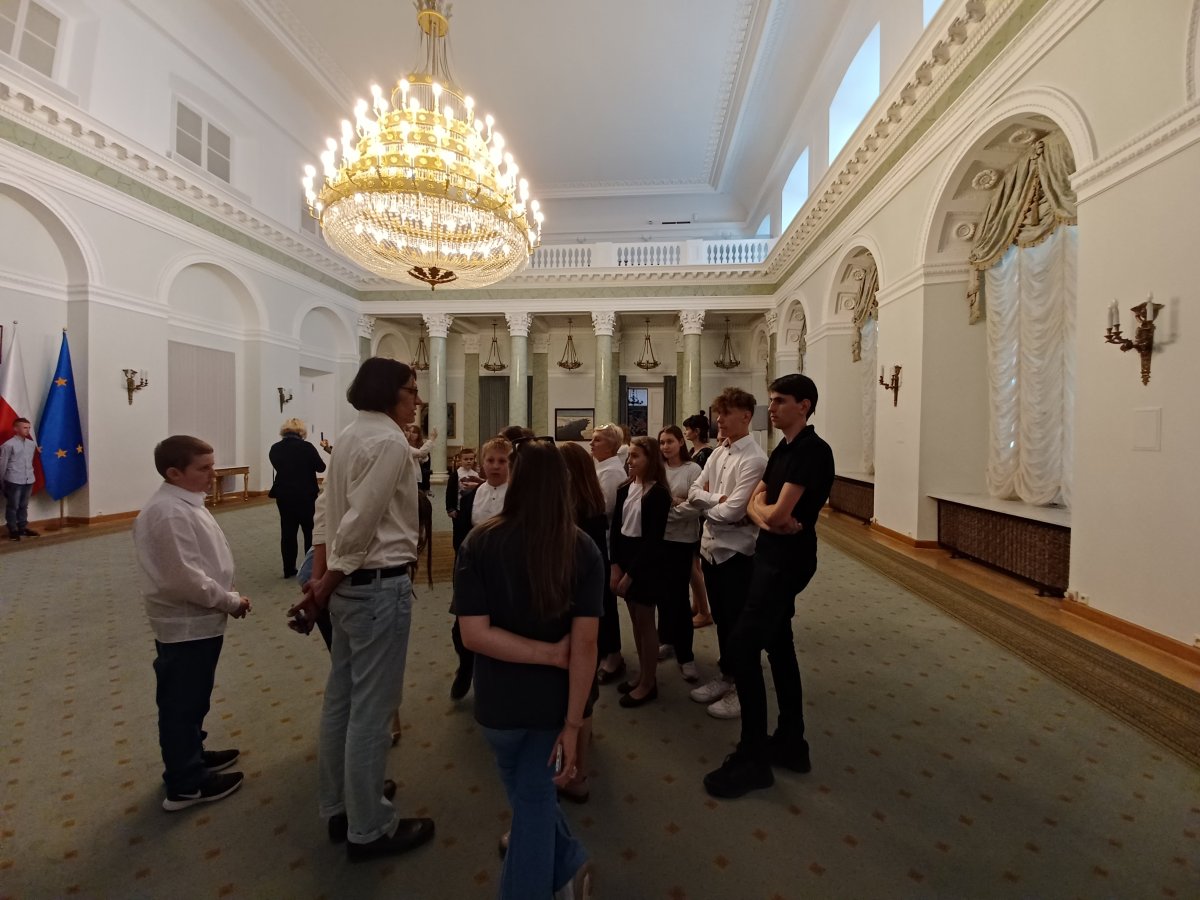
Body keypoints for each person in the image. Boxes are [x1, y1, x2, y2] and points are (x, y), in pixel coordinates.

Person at [286, 357, 434, 861]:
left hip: (349, 586)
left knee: (342, 699)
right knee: (372, 711)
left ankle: (340, 804)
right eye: (411, 390)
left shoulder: (350, 435)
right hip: (374, 586)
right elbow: (359, 523)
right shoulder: (389, 441)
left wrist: (321, 582)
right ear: (389, 392)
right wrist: (323, 586)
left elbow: (325, 515)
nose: (417, 399)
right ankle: (369, 828)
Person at [455, 439, 601, 899]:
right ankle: (568, 865)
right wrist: (574, 721)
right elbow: (585, 646)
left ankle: (569, 865)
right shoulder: (582, 549)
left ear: (515, 479)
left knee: (529, 799)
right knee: (534, 800)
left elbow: (473, 635)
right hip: (552, 707)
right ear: (564, 485)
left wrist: (547, 656)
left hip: (496, 702)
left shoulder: (479, 541)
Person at [703, 374, 835, 798]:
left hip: (786, 563)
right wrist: (764, 514)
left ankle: (753, 758)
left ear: (805, 405)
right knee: (779, 645)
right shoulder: (784, 449)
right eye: (771, 401)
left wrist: (763, 513)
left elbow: (772, 514)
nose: (771, 408)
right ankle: (792, 741)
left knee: (743, 648)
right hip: (771, 555)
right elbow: (760, 507)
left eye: (780, 401)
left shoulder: (812, 451)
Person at [132, 435, 250, 811]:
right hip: (186, 624)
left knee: (194, 696)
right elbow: (183, 578)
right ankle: (186, 783)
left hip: (200, 619)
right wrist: (229, 600)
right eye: (204, 468)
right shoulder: (167, 512)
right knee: (181, 702)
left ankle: (192, 754)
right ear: (174, 472)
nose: (213, 474)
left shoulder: (184, 501)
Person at [686, 388, 768, 720]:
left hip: (736, 553)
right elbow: (693, 491)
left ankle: (741, 689)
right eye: (718, 413)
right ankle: (727, 675)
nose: (718, 419)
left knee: (739, 624)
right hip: (711, 550)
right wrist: (717, 502)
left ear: (746, 416)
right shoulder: (719, 452)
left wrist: (711, 504)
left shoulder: (755, 459)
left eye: (726, 413)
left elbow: (734, 512)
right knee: (721, 619)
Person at [558, 441, 610, 802]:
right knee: (582, 689)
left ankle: (577, 773)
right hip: (587, 606)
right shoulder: (590, 505)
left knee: (579, 688)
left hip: (575, 607)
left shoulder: (581, 514)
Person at [609, 435, 672, 708]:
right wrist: (615, 566)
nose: (629, 461)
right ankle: (643, 674)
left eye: (636, 456)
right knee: (635, 620)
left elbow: (653, 542)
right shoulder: (625, 488)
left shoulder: (658, 494)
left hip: (645, 565)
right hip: (625, 561)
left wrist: (630, 574)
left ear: (650, 459)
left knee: (645, 622)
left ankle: (649, 683)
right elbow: (616, 531)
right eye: (629, 456)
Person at [449, 436, 512, 701]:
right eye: (490, 460)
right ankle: (466, 667)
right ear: (482, 464)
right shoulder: (471, 496)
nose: (495, 466)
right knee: (462, 627)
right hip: (474, 570)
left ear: (510, 464)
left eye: (502, 461)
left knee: (502, 626)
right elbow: (461, 537)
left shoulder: (518, 496)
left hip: (507, 571)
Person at [657, 426, 702, 683]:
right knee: (663, 595)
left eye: (670, 441)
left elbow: (696, 506)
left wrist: (670, 508)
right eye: (662, 442)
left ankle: (686, 656)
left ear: (680, 442)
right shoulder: (658, 469)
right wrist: (675, 502)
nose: (665, 447)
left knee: (680, 599)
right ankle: (666, 639)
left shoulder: (692, 469)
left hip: (683, 541)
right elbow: (651, 501)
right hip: (660, 540)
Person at [590, 423, 627, 683]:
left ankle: (614, 653)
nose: (592, 444)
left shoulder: (612, 471)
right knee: (598, 600)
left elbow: (604, 509)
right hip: (597, 540)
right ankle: (604, 648)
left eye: (598, 440)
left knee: (605, 601)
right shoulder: (601, 466)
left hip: (606, 542)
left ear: (612, 445)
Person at [268, 417, 326, 578]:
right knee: (309, 531)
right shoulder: (307, 447)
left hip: (284, 495)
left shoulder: (275, 448)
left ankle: (288, 569)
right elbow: (321, 468)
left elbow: (278, 466)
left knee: (288, 531)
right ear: (301, 431)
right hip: (305, 494)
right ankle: (309, 568)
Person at [682, 412, 714, 628]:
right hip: (693, 508)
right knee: (693, 564)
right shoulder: (694, 452)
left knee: (693, 565)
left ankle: (704, 610)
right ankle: (697, 604)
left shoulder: (706, 454)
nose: (686, 432)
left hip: (700, 510)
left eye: (688, 429)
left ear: (697, 431)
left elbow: (704, 485)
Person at [1, 417, 38, 540]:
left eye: (29, 428)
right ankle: (13, 529)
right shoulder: (8, 445)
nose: (27, 430)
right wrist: (2, 481)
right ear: (16, 429)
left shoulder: (31, 444)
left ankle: (22, 527)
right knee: (13, 505)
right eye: (24, 427)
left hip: (28, 479)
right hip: (14, 479)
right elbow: (3, 464)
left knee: (24, 505)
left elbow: (30, 461)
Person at [445, 447, 482, 521]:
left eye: (471, 459)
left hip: (472, 507)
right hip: (459, 508)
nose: (469, 461)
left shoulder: (476, 474)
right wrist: (450, 509)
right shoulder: (455, 475)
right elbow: (450, 492)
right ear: (460, 460)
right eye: (466, 459)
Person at [405, 424, 437, 496]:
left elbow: (425, 462)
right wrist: (432, 439)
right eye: (409, 431)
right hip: (410, 477)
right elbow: (421, 453)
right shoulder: (405, 445)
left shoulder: (421, 444)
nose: (411, 434)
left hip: (419, 476)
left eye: (414, 432)